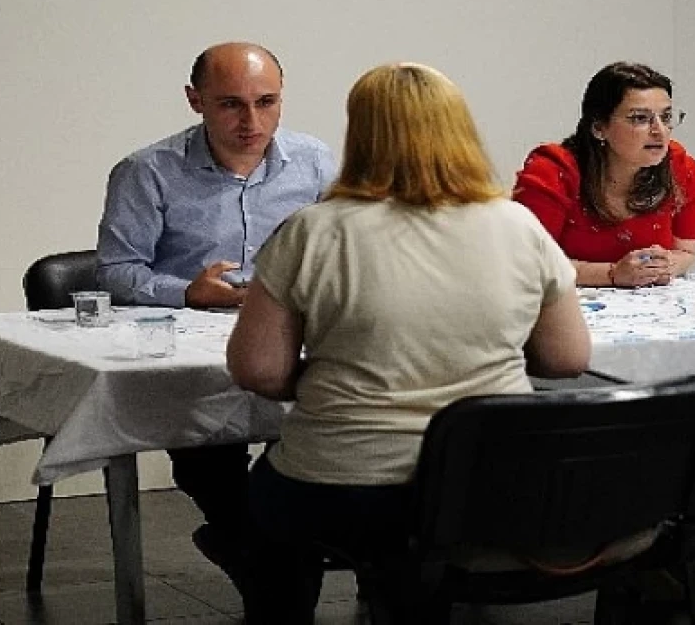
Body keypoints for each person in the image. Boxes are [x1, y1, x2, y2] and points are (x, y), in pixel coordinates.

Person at [226, 62, 592, 622]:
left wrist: (334, 376)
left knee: (264, 507)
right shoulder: (518, 226)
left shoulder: (313, 231)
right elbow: (567, 360)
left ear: (362, 134)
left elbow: (258, 371)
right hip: (489, 483)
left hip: (345, 486)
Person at [94, 42, 336, 589]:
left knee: (322, 423)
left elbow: (344, 248)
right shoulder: (147, 171)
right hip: (189, 341)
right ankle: (252, 541)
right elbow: (116, 270)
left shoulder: (316, 160)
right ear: (194, 101)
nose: (252, 121)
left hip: (288, 334)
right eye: (230, 104)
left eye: (266, 102)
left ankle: (260, 547)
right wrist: (186, 291)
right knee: (208, 445)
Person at [513, 62, 695, 288]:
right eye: (640, 118)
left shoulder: (681, 168)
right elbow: (528, 264)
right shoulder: (553, 172)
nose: (659, 131)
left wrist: (667, 265)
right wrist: (611, 274)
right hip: (564, 306)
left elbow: (685, 250)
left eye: (665, 117)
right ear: (599, 127)